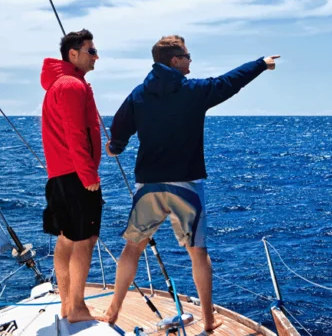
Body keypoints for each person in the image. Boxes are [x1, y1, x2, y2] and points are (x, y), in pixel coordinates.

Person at [102, 35, 279, 332]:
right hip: (185, 186)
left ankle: (112, 313)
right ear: (174, 60)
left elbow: (118, 135)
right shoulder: (193, 92)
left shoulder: (139, 94)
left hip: (149, 186)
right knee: (198, 253)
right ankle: (209, 320)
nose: (190, 60)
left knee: (132, 249)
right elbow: (230, 82)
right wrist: (261, 64)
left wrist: (116, 146)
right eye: (186, 56)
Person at [40, 29, 103, 323]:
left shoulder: (60, 84)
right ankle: (77, 307)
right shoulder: (71, 86)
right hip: (77, 176)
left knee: (66, 239)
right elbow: (76, 133)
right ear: (73, 54)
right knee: (84, 241)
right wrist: (88, 172)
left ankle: (67, 305)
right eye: (91, 51)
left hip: (60, 176)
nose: (96, 56)